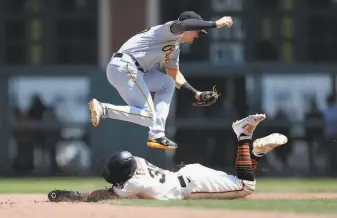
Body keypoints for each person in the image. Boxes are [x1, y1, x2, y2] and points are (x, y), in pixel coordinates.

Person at [48, 114, 288, 202]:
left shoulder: (134, 184)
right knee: (240, 178)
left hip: (192, 186)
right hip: (188, 175)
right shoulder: (137, 162)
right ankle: (255, 153)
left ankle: (244, 135)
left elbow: (102, 195)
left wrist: (73, 196)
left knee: (245, 186)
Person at [88, 11, 231, 150]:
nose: (198, 36)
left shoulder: (175, 47)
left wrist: (196, 94)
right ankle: (104, 109)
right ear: (189, 28)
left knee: (167, 83)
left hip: (134, 70)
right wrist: (215, 23)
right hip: (125, 66)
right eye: (198, 31)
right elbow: (184, 24)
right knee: (148, 116)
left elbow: (174, 75)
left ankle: (157, 135)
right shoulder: (168, 30)